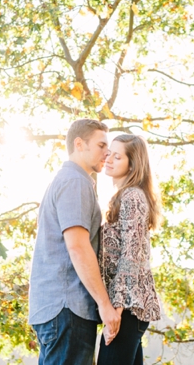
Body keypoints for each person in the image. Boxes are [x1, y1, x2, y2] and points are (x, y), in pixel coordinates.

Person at [28, 118, 122, 365]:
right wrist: (105, 305)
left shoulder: (69, 180)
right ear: (79, 144)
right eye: (101, 145)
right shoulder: (75, 182)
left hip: (59, 310)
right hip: (68, 307)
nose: (107, 152)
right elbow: (78, 247)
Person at [98, 134, 162, 365]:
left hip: (127, 307)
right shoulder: (121, 196)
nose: (109, 159)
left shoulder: (132, 196)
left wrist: (115, 311)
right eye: (109, 153)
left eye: (118, 156)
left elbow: (131, 256)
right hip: (127, 307)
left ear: (132, 164)